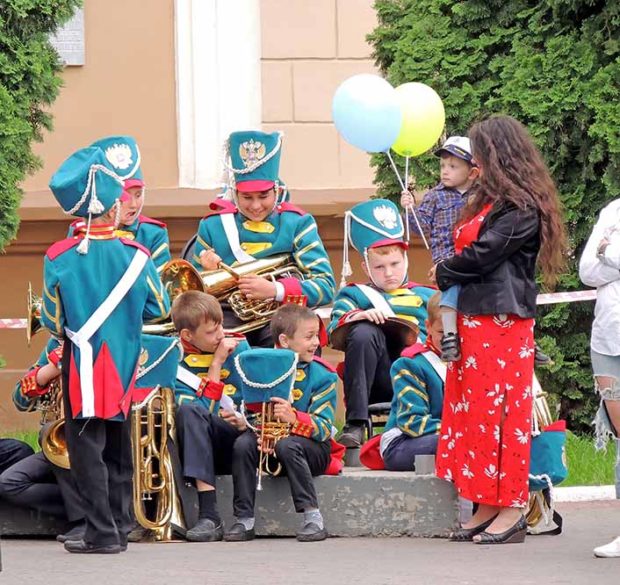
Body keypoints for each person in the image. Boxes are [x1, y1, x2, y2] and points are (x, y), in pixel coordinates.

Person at [431, 115, 566, 545]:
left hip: (501, 322)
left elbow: (483, 255)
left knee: (502, 416)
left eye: (480, 155)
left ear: (497, 156)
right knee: (474, 415)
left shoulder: (522, 206)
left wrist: (443, 269)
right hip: (475, 319)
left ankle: (512, 507)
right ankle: (484, 503)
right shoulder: (487, 201)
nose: (474, 163)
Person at [41, 142, 171, 553]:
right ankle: (119, 524)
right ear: (113, 205)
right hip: (125, 360)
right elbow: (159, 306)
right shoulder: (137, 253)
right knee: (118, 446)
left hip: (82, 362)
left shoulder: (59, 255)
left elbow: (51, 320)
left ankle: (100, 532)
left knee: (86, 449)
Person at [191, 130, 335, 347]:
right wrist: (206, 270)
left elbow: (325, 286)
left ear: (276, 190)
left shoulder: (297, 224)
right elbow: (191, 296)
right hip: (226, 320)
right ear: (235, 192)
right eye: (247, 197)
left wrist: (275, 290)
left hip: (282, 318)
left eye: (264, 196)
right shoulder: (213, 225)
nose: (256, 206)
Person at [328, 198, 435, 447]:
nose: (389, 273)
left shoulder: (427, 296)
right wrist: (359, 317)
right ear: (366, 267)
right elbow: (334, 329)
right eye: (379, 266)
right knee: (365, 332)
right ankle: (355, 424)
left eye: (395, 264)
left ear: (406, 259)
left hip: (422, 379)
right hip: (379, 380)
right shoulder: (354, 295)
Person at [225, 305, 337, 542]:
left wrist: (295, 419)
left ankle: (313, 518)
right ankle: (244, 519)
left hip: (310, 449)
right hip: (269, 443)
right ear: (285, 340)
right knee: (243, 445)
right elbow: (249, 409)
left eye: (316, 335)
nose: (316, 342)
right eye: (309, 337)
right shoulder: (259, 370)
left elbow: (326, 428)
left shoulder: (323, 375)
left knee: (287, 445)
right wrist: (260, 431)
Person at [171, 290, 250, 542]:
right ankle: (210, 515)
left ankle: (210, 516)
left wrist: (244, 421)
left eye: (220, 327)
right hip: (197, 446)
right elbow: (199, 415)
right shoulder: (174, 361)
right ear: (187, 335)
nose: (220, 336)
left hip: (236, 442)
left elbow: (257, 400)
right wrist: (216, 365)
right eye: (210, 332)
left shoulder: (240, 348)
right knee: (189, 411)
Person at [0, 338, 86, 543]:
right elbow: (20, 399)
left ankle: (90, 514)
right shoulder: (57, 345)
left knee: (17, 454)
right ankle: (88, 509)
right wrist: (47, 373)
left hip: (98, 431)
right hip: (59, 439)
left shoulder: (109, 336)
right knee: (10, 481)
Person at [579, 199, 620, 558]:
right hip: (608, 340)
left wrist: (610, 253)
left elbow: (604, 261)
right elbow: (587, 270)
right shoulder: (611, 211)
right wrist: (607, 256)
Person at [67, 136, 171, 273]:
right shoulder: (80, 230)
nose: (134, 204)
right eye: (125, 196)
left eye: (138, 195)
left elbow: (160, 284)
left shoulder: (152, 233)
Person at [380, 291, 445, 471]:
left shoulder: (470, 364)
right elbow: (412, 422)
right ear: (428, 327)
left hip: (452, 435)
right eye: (441, 331)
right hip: (403, 442)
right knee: (455, 443)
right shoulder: (410, 364)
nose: (449, 337)